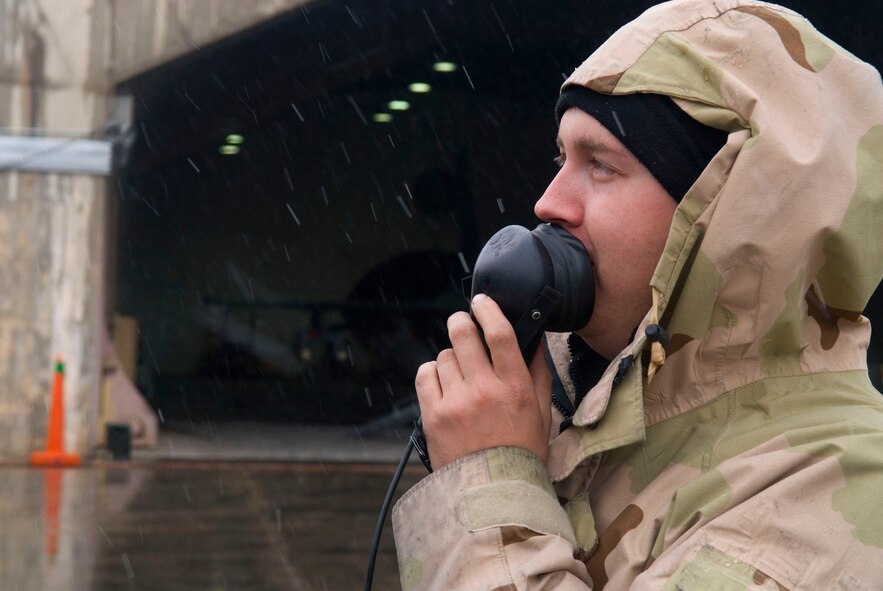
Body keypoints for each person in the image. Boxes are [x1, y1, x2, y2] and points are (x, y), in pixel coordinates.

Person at [392, 0, 883, 588]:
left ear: (723, 216)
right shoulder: (586, 427)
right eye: (561, 157)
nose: (549, 203)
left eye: (601, 165)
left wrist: (490, 489)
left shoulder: (830, 491)